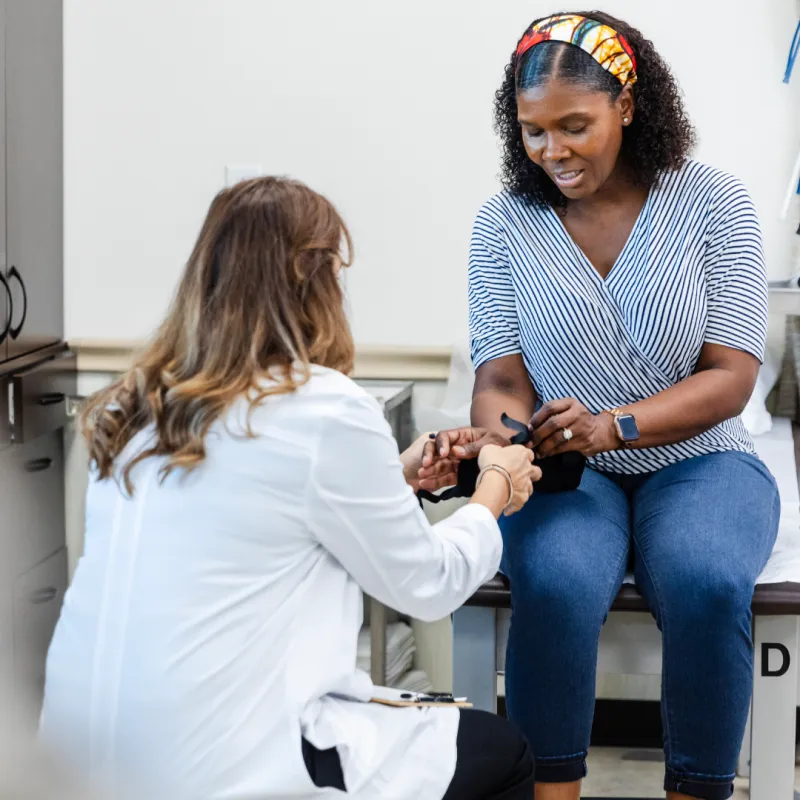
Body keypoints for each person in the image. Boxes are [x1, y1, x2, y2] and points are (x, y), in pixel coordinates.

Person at [39, 177, 541, 799]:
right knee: (506, 753)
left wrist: (393, 475)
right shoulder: (323, 406)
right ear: (318, 280)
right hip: (217, 763)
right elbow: (429, 586)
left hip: (81, 760)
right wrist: (494, 488)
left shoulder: (135, 404)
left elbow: (264, 517)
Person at [459, 11, 780, 800]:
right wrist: (510, 438)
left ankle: (698, 789)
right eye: (533, 132)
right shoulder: (504, 224)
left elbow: (732, 373)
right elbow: (500, 376)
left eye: (574, 126)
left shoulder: (713, 203)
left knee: (706, 579)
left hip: (701, 459)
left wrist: (617, 426)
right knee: (558, 584)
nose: (553, 152)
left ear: (628, 105)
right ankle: (548, 790)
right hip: (570, 470)